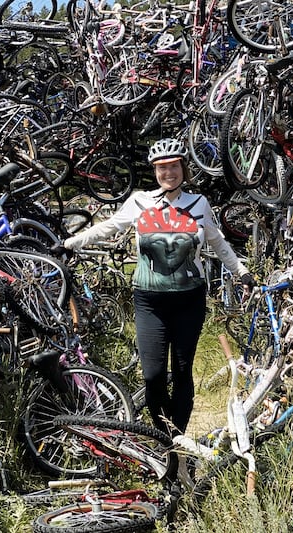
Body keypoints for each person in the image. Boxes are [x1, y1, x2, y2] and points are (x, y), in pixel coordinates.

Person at [55, 138, 254, 437]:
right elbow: (107, 227)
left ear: (183, 169)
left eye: (173, 166)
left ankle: (178, 440)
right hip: (149, 301)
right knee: (153, 374)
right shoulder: (139, 201)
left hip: (190, 300)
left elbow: (217, 242)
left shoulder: (198, 204)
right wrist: (70, 243)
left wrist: (241, 271)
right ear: (155, 171)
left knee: (184, 370)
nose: (168, 173)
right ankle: (164, 434)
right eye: (162, 168)